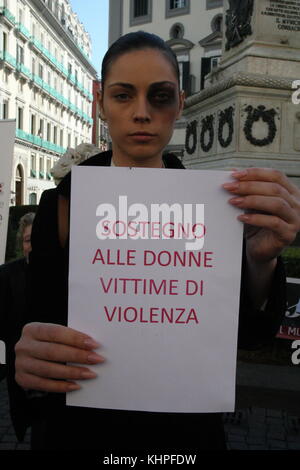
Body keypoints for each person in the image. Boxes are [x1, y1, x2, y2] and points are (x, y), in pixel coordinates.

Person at [13, 32, 300, 451]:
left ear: (180, 104)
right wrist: (30, 347)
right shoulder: (61, 205)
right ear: (101, 102)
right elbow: (37, 317)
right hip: (79, 430)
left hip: (183, 434)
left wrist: (261, 262)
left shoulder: (217, 209)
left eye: (160, 97)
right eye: (123, 96)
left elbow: (244, 336)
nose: (142, 114)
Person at [0, 212, 35, 441]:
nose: (32, 245)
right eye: (27, 239)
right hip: (19, 360)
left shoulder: (66, 274)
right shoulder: (6, 274)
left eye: (37, 238)